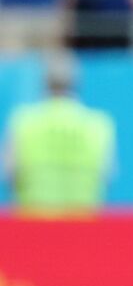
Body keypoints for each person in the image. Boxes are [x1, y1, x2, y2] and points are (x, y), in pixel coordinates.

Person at [3, 54, 116, 218]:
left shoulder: (23, 121)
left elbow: (10, 174)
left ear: (44, 82)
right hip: (82, 225)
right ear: (77, 83)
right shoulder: (99, 124)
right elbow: (106, 175)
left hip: (33, 226)